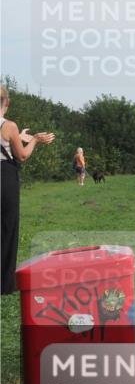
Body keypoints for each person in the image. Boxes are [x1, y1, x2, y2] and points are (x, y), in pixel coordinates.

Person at [1, 85, 56, 295]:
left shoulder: (12, 129)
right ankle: (4, 285)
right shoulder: (9, 126)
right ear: (7, 102)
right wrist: (34, 139)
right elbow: (22, 155)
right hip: (4, 177)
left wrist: (19, 137)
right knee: (7, 227)